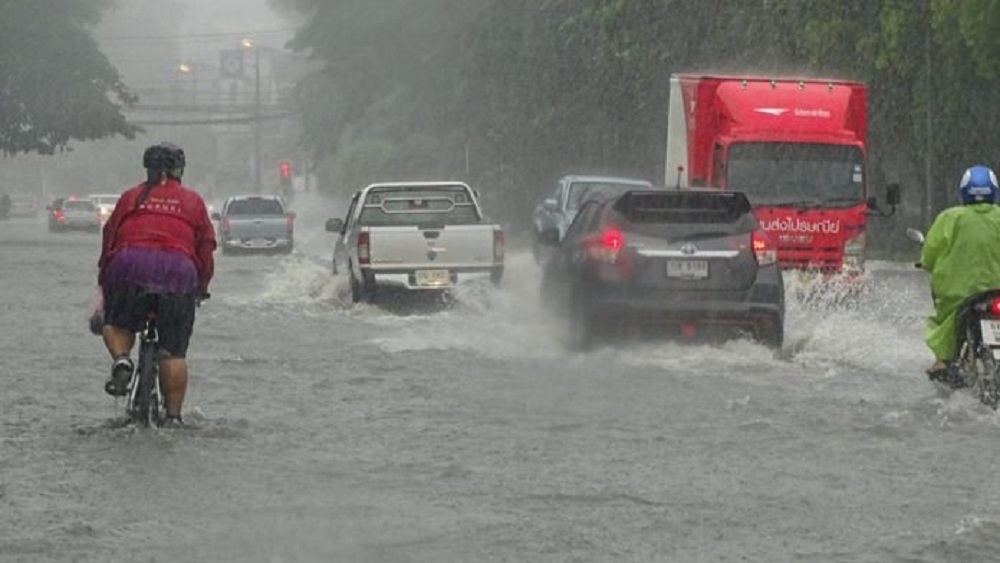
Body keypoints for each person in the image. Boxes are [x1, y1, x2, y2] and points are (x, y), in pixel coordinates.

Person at [98, 142, 216, 426]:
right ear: (179, 170)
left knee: (117, 324)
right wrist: (201, 286)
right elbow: (206, 248)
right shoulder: (192, 201)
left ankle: (122, 359)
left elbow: (109, 236)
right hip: (178, 273)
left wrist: (105, 279)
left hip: (128, 266)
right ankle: (174, 418)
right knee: (174, 351)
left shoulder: (129, 198)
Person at [921, 164, 1000, 380]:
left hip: (961, 296)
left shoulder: (950, 218)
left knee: (945, 321)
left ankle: (943, 361)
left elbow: (929, 256)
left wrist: (926, 263)